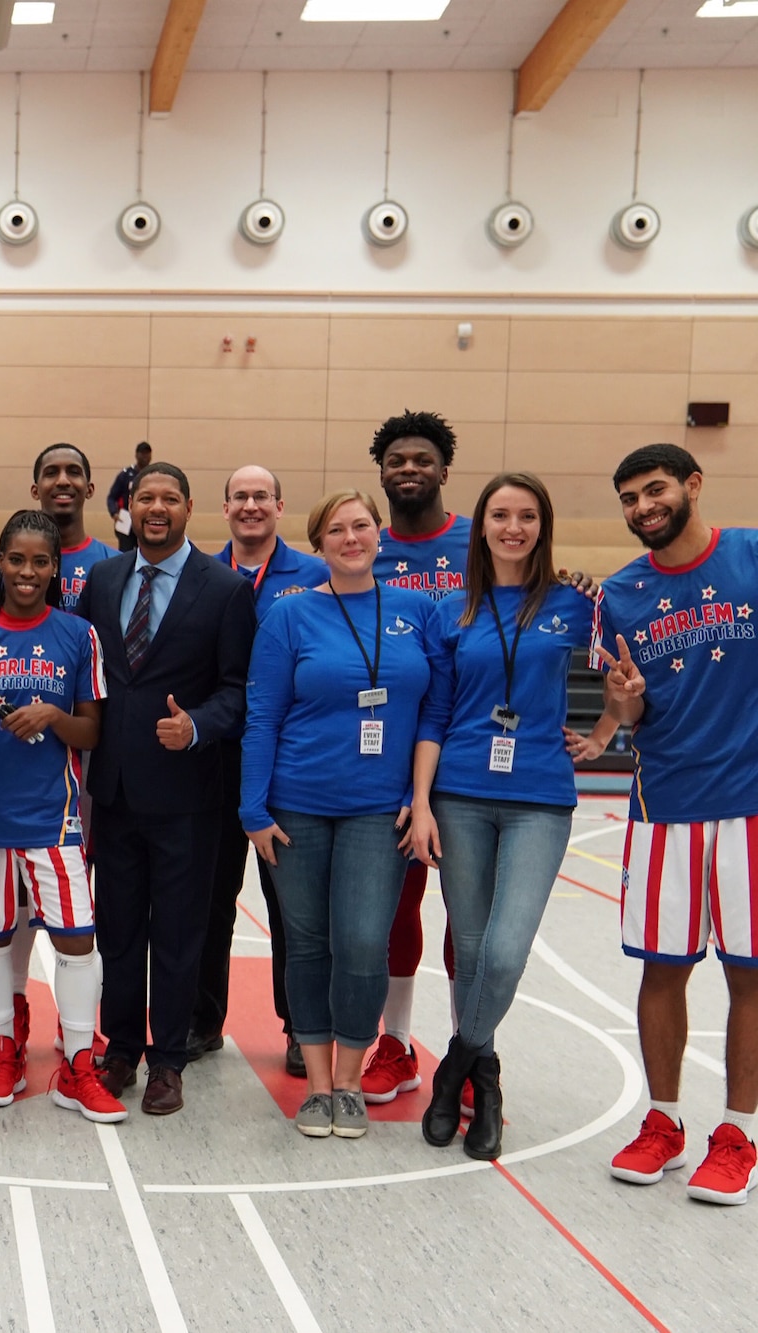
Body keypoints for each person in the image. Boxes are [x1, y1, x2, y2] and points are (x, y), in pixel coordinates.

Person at [400, 473, 598, 1161]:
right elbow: (433, 713)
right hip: (459, 794)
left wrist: (604, 733)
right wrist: (422, 802)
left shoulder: (576, 602)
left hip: (540, 796)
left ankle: (459, 1061)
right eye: (500, 515)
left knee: (505, 951)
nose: (513, 526)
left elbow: (634, 679)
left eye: (527, 516)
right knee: (472, 948)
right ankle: (484, 1080)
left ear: (543, 526)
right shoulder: (450, 610)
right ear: (480, 525)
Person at [243, 489, 437, 1141]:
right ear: (318, 543)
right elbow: (263, 714)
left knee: (360, 941)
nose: (350, 537)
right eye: (335, 529)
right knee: (306, 945)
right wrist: (251, 807)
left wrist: (419, 796)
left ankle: (351, 1082)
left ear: (380, 535)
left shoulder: (418, 611)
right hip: (296, 805)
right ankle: (319, 1085)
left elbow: (434, 712)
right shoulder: (288, 615)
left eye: (361, 526)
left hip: (380, 810)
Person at [0, 510, 125, 1123]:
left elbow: (91, 732)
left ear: (55, 567)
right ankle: (3, 1047)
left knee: (77, 939)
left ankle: (79, 1063)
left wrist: (52, 717)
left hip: (53, 819)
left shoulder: (76, 634)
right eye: (17, 559)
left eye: (41, 561)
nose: (28, 571)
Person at [595, 443, 758, 1207]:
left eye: (654, 490)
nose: (642, 507)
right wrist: (625, 703)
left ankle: (738, 1132)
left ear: (693, 485)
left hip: (751, 805)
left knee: (749, 973)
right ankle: (663, 1121)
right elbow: (628, 711)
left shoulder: (753, 555)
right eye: (629, 498)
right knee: (663, 969)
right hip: (665, 805)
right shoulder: (620, 594)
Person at [76, 463, 256, 1116]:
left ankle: (169, 1059)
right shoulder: (102, 578)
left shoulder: (227, 589)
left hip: (189, 794)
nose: (157, 508)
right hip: (116, 789)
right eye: (145, 497)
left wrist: (199, 726)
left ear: (188, 508)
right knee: (120, 929)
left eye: (169, 498)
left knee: (178, 935)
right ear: (129, 507)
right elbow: (80, 659)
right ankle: (120, 1046)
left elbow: (239, 690)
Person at [195, 466, 329, 1079]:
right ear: (224, 508)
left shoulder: (317, 576)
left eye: (261, 497)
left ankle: (302, 1027)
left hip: (290, 764)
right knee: (210, 900)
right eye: (240, 497)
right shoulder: (201, 577)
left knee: (292, 908)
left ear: (280, 505)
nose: (251, 506)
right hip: (217, 763)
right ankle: (201, 1022)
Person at [364, 409, 469, 1103]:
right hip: (388, 758)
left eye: (420, 459)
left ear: (442, 470)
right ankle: (396, 1043)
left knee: (471, 915)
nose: (408, 468)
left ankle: (468, 1051)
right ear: (381, 472)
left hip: (468, 753)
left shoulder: (478, 542)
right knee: (395, 910)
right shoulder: (365, 548)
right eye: (396, 460)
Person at [32, 443, 121, 608]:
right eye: (51, 473)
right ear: (35, 491)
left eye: (74, 472)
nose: (63, 481)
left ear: (89, 489)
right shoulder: (6, 566)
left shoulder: (118, 566)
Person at [107, 441, 152, 552]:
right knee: (125, 552)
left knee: (145, 551)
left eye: (147, 453)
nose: (145, 456)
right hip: (126, 518)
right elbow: (111, 497)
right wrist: (114, 513)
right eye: (142, 453)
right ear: (136, 455)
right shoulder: (125, 474)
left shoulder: (154, 475)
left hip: (146, 519)